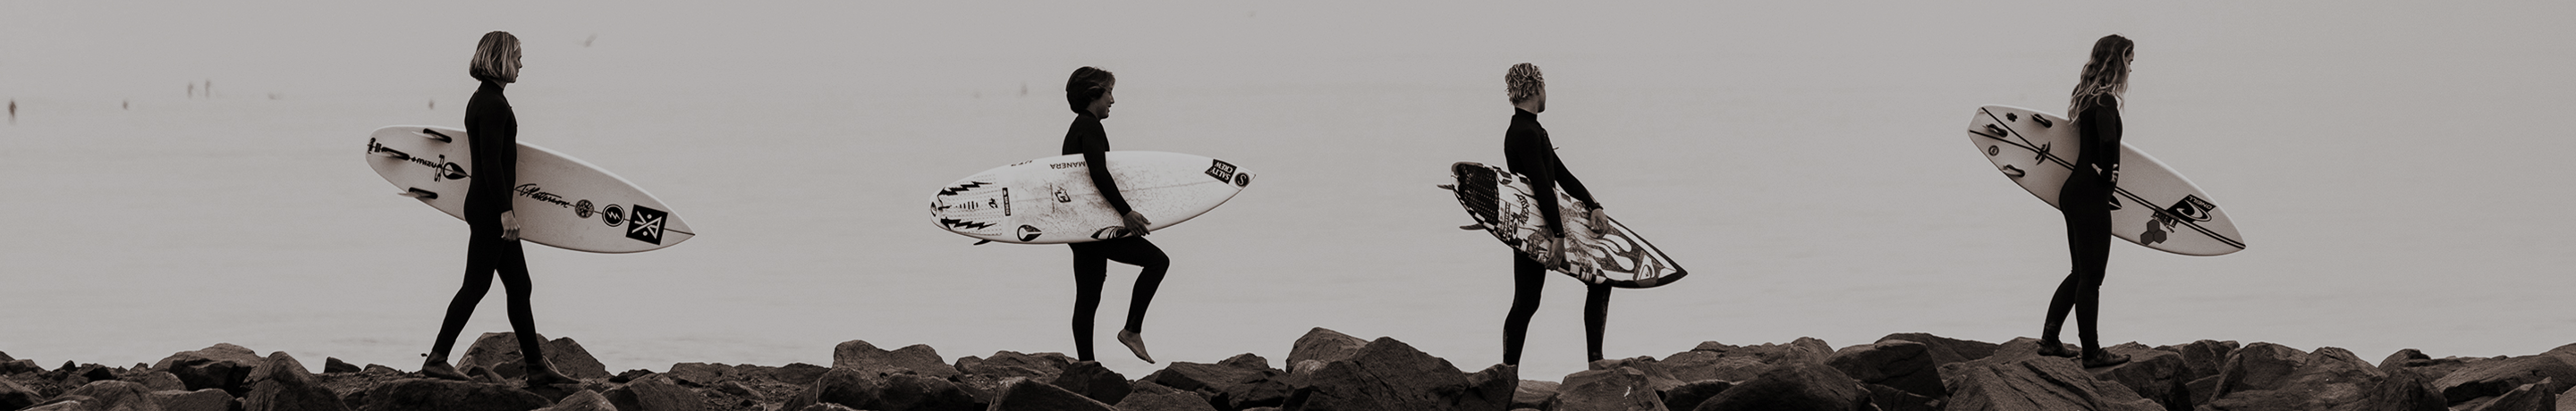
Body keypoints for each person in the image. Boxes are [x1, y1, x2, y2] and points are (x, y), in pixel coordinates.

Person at [418, 31, 580, 386]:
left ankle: (536, 367)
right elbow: (490, 164)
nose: (522, 63)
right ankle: (437, 358)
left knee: (519, 286)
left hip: (487, 205)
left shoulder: (485, 99)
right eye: (518, 56)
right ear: (501, 58)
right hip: (491, 208)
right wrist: (506, 211)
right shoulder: (492, 105)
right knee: (476, 285)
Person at [1497, 63, 1618, 365]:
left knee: (1529, 302)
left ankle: (1509, 371)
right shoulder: (1524, 133)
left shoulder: (1532, 129)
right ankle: (1509, 371)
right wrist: (1559, 236)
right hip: (1538, 228)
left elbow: (1561, 175)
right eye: (1545, 87)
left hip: (1539, 224)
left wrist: (1594, 205)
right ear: (1537, 88)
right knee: (1528, 302)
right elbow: (1541, 186)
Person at [2036, 35, 2134, 368]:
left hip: (2073, 192)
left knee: (2080, 271)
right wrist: (2110, 177)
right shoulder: (2105, 101)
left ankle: (2049, 340)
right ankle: (2091, 352)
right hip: (2091, 195)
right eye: (2130, 60)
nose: (2132, 67)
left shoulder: (2087, 99)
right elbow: (2107, 141)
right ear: (2117, 62)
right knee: (2092, 277)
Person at [1061, 66, 1166, 364]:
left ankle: (1086, 365)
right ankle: (1131, 330)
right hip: (1093, 229)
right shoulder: (1089, 126)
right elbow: (1098, 172)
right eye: (1110, 92)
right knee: (1158, 261)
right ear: (1094, 94)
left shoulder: (1077, 127)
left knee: (1088, 297)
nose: (1113, 100)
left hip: (1080, 227)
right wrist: (1126, 213)